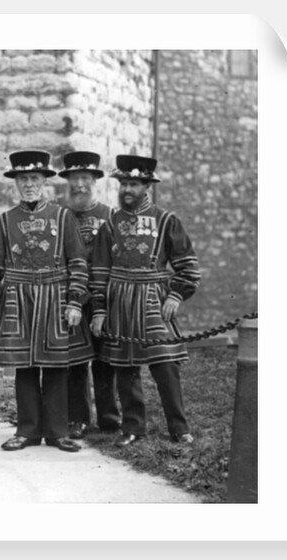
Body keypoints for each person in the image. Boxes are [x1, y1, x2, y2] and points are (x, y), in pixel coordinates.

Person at [0, 150, 94, 453]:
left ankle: (57, 432)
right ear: (15, 183)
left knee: (57, 366)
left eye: (34, 178)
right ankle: (27, 431)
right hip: (18, 298)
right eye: (23, 179)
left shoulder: (62, 216)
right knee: (25, 367)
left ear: (43, 181)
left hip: (55, 297)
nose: (29, 184)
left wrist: (75, 302)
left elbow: (78, 263)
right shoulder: (4, 222)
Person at [90, 154, 201, 447]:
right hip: (120, 302)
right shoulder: (110, 223)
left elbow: (188, 265)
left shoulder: (166, 221)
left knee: (165, 365)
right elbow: (99, 271)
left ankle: (179, 428)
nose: (127, 189)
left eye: (134, 184)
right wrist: (99, 311)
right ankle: (134, 427)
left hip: (153, 301)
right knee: (125, 369)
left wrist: (176, 295)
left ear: (146, 187)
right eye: (124, 183)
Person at [57, 151, 121, 438]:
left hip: (103, 296)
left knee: (105, 359)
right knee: (75, 361)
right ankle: (78, 418)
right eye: (74, 179)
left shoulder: (109, 215)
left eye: (85, 178)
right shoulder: (60, 215)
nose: (79, 184)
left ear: (95, 181)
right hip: (71, 298)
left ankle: (109, 418)